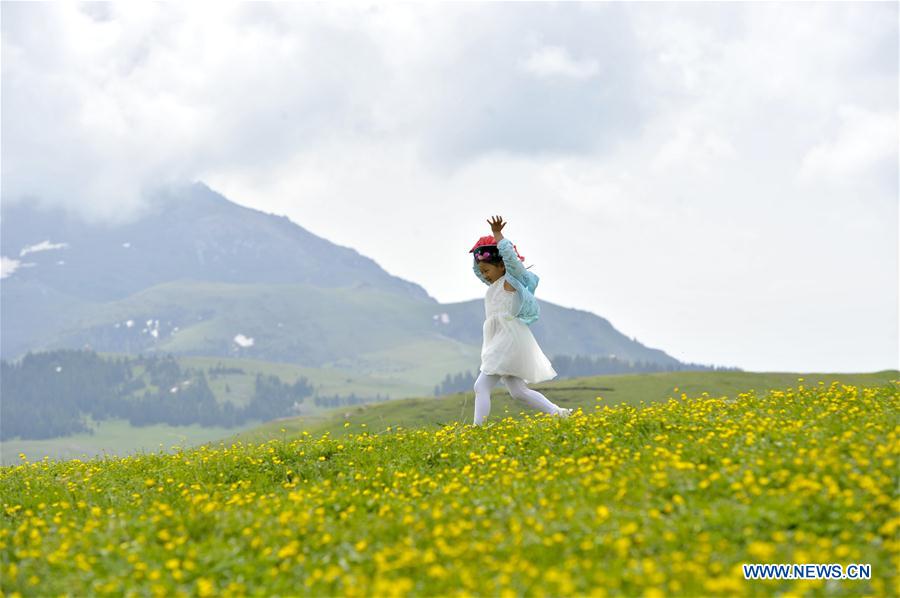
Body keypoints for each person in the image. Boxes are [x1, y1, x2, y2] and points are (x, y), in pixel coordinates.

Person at [468, 215, 573, 426]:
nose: (484, 275)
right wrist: (479, 254)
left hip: (506, 340)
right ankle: (560, 413)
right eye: (482, 271)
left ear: (502, 266)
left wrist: (498, 236)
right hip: (504, 339)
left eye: (487, 270)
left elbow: (511, 260)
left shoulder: (510, 281)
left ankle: (478, 429)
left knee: (481, 386)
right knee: (518, 391)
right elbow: (478, 270)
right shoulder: (494, 284)